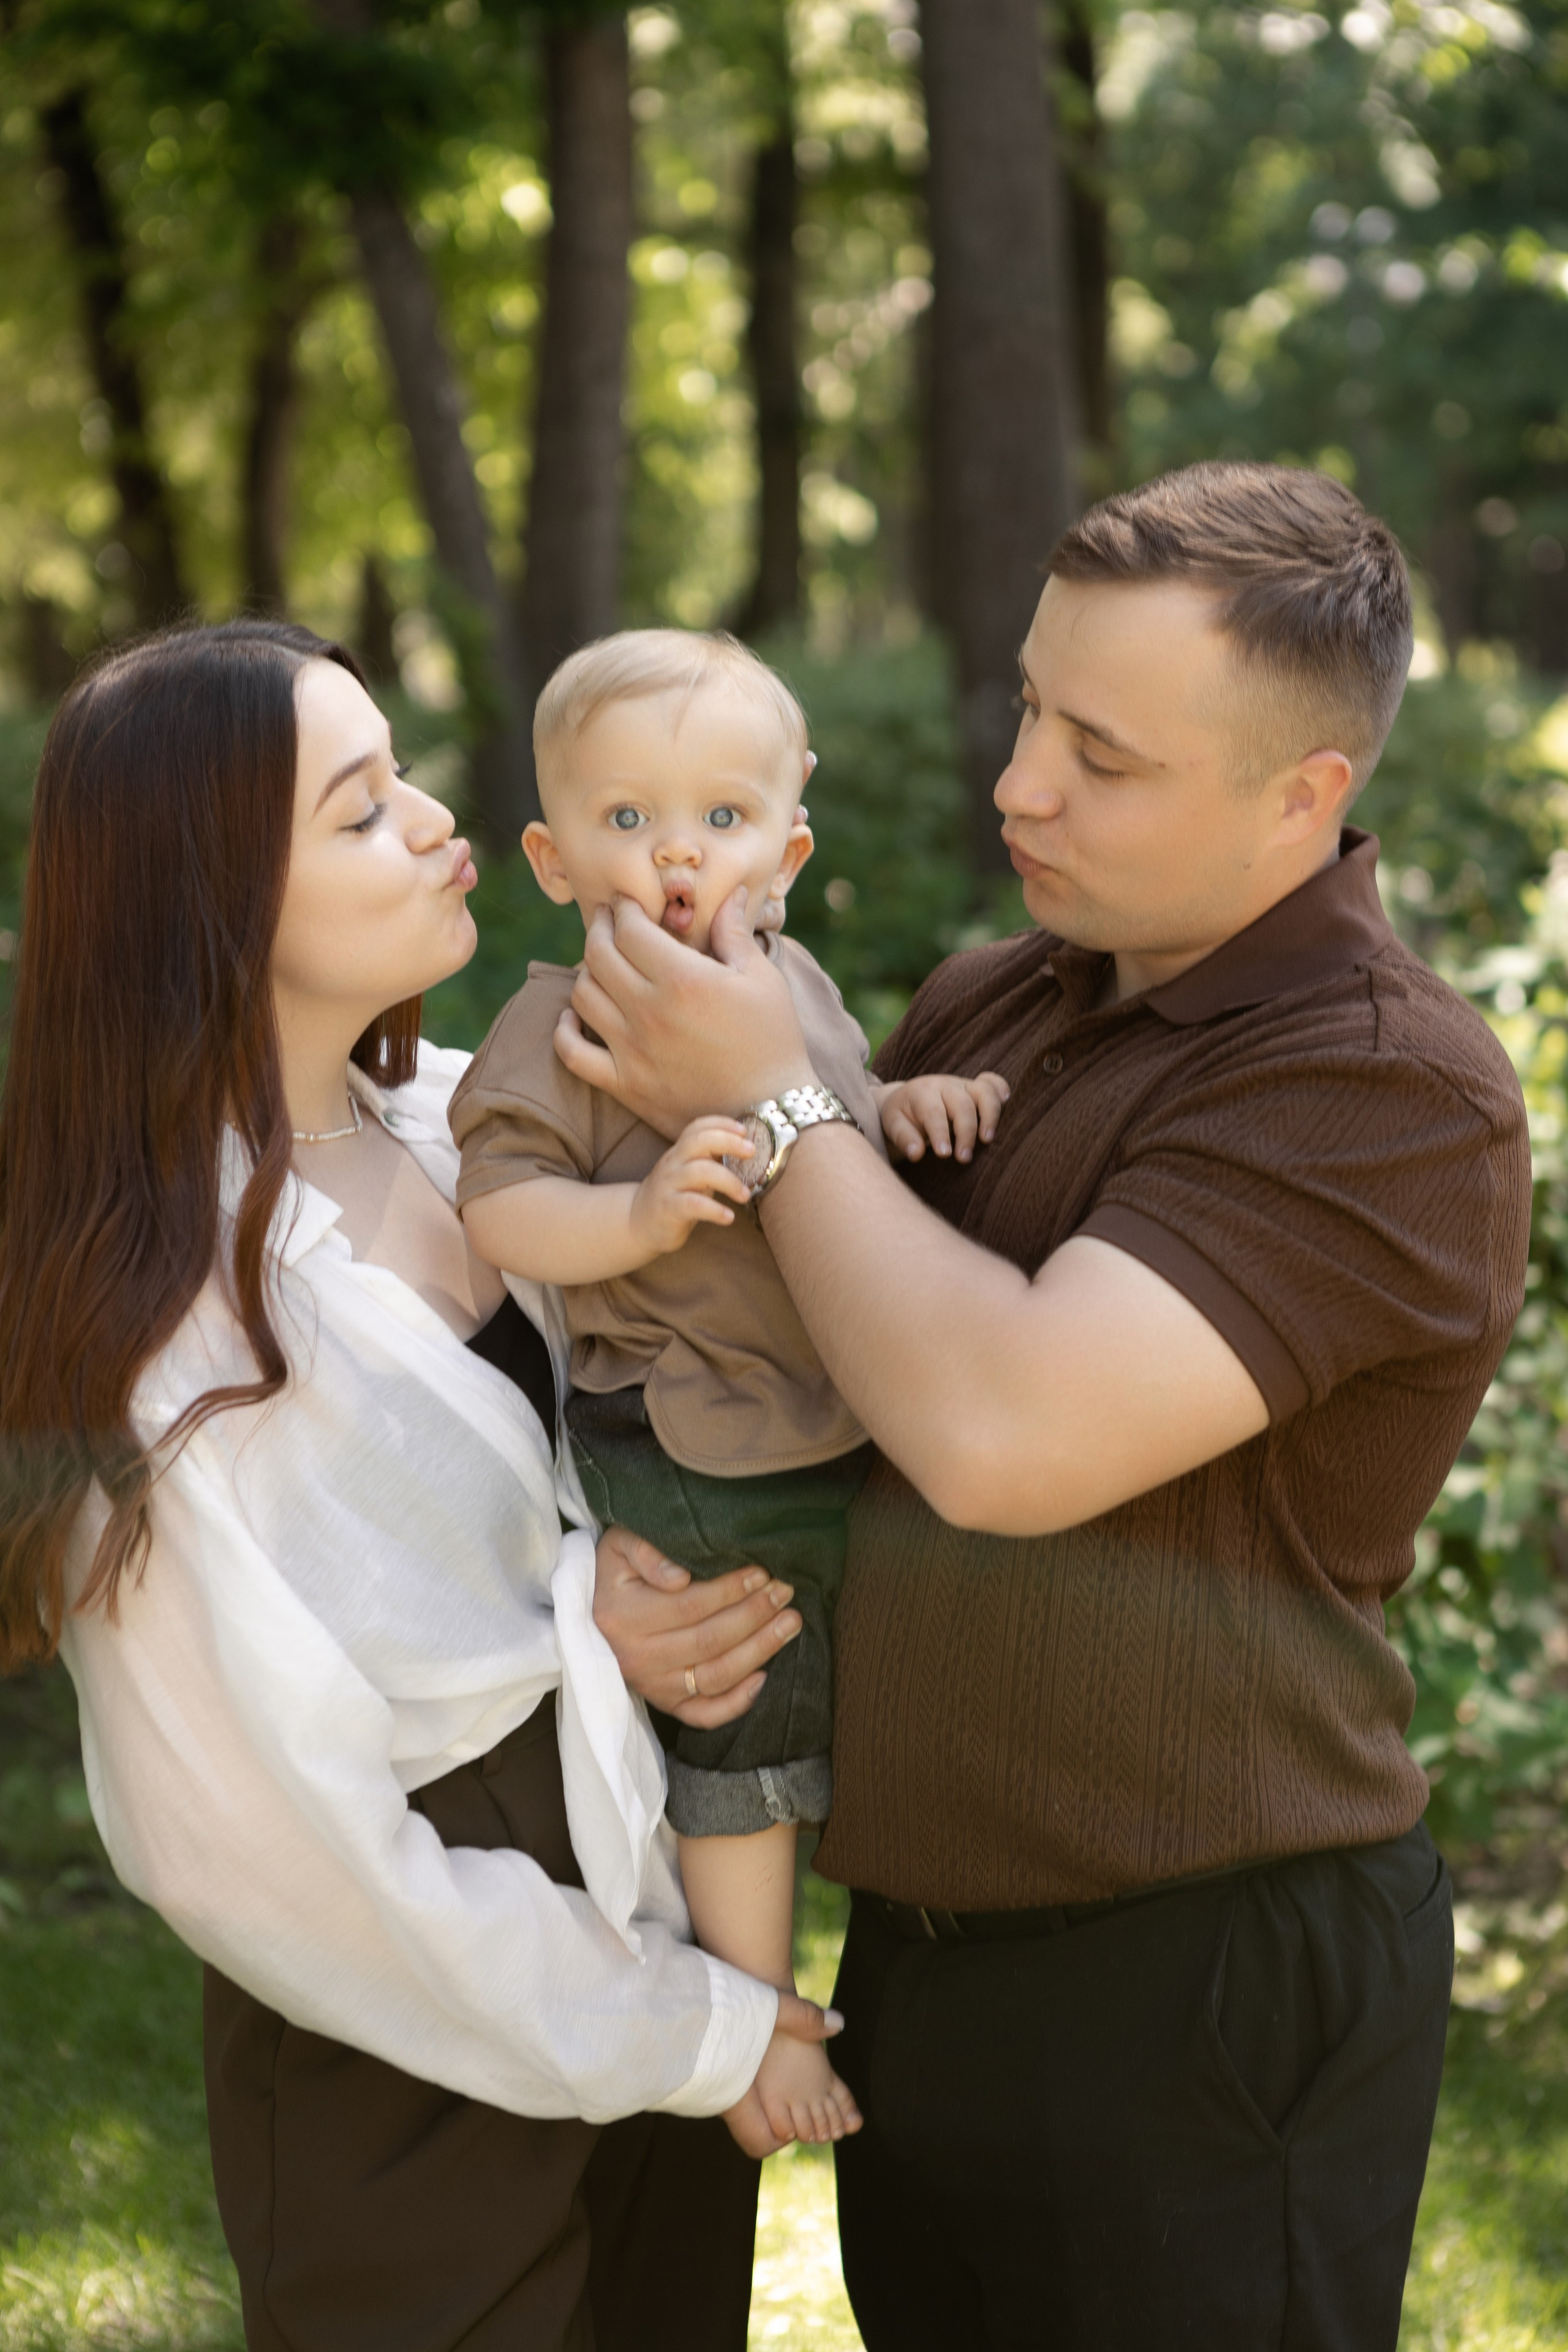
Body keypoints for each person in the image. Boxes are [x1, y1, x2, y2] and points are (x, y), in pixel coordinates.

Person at [543, 463, 1534, 2350]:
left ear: (1304, 794)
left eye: (1104, 754)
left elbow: (1003, 1440)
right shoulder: (990, 1006)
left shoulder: (1386, 1085)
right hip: (930, 1965)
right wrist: (623, 1581)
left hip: (1203, 1980)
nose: (1019, 786)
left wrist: (774, 1100)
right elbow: (784, 1375)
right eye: (1027, 709)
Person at [0, 619, 845, 2352]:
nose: (440, 820)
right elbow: (253, 1850)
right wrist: (683, 2024)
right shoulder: (154, 1322)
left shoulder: (473, 1124)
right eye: (363, 808)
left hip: (648, 1934)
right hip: (415, 2037)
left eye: (403, 776)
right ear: (216, 900)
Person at [448, 627, 1005, 2149]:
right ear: (553, 859)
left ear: (787, 851)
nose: (676, 855)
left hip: (814, 1422)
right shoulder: (563, 1025)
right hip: (692, 1436)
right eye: (628, 819)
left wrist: (902, 1107)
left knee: (824, 1690)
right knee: (745, 1720)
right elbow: (500, 1208)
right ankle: (753, 2021)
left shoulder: (789, 983)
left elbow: (821, 1117)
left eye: (720, 817)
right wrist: (635, 1217)